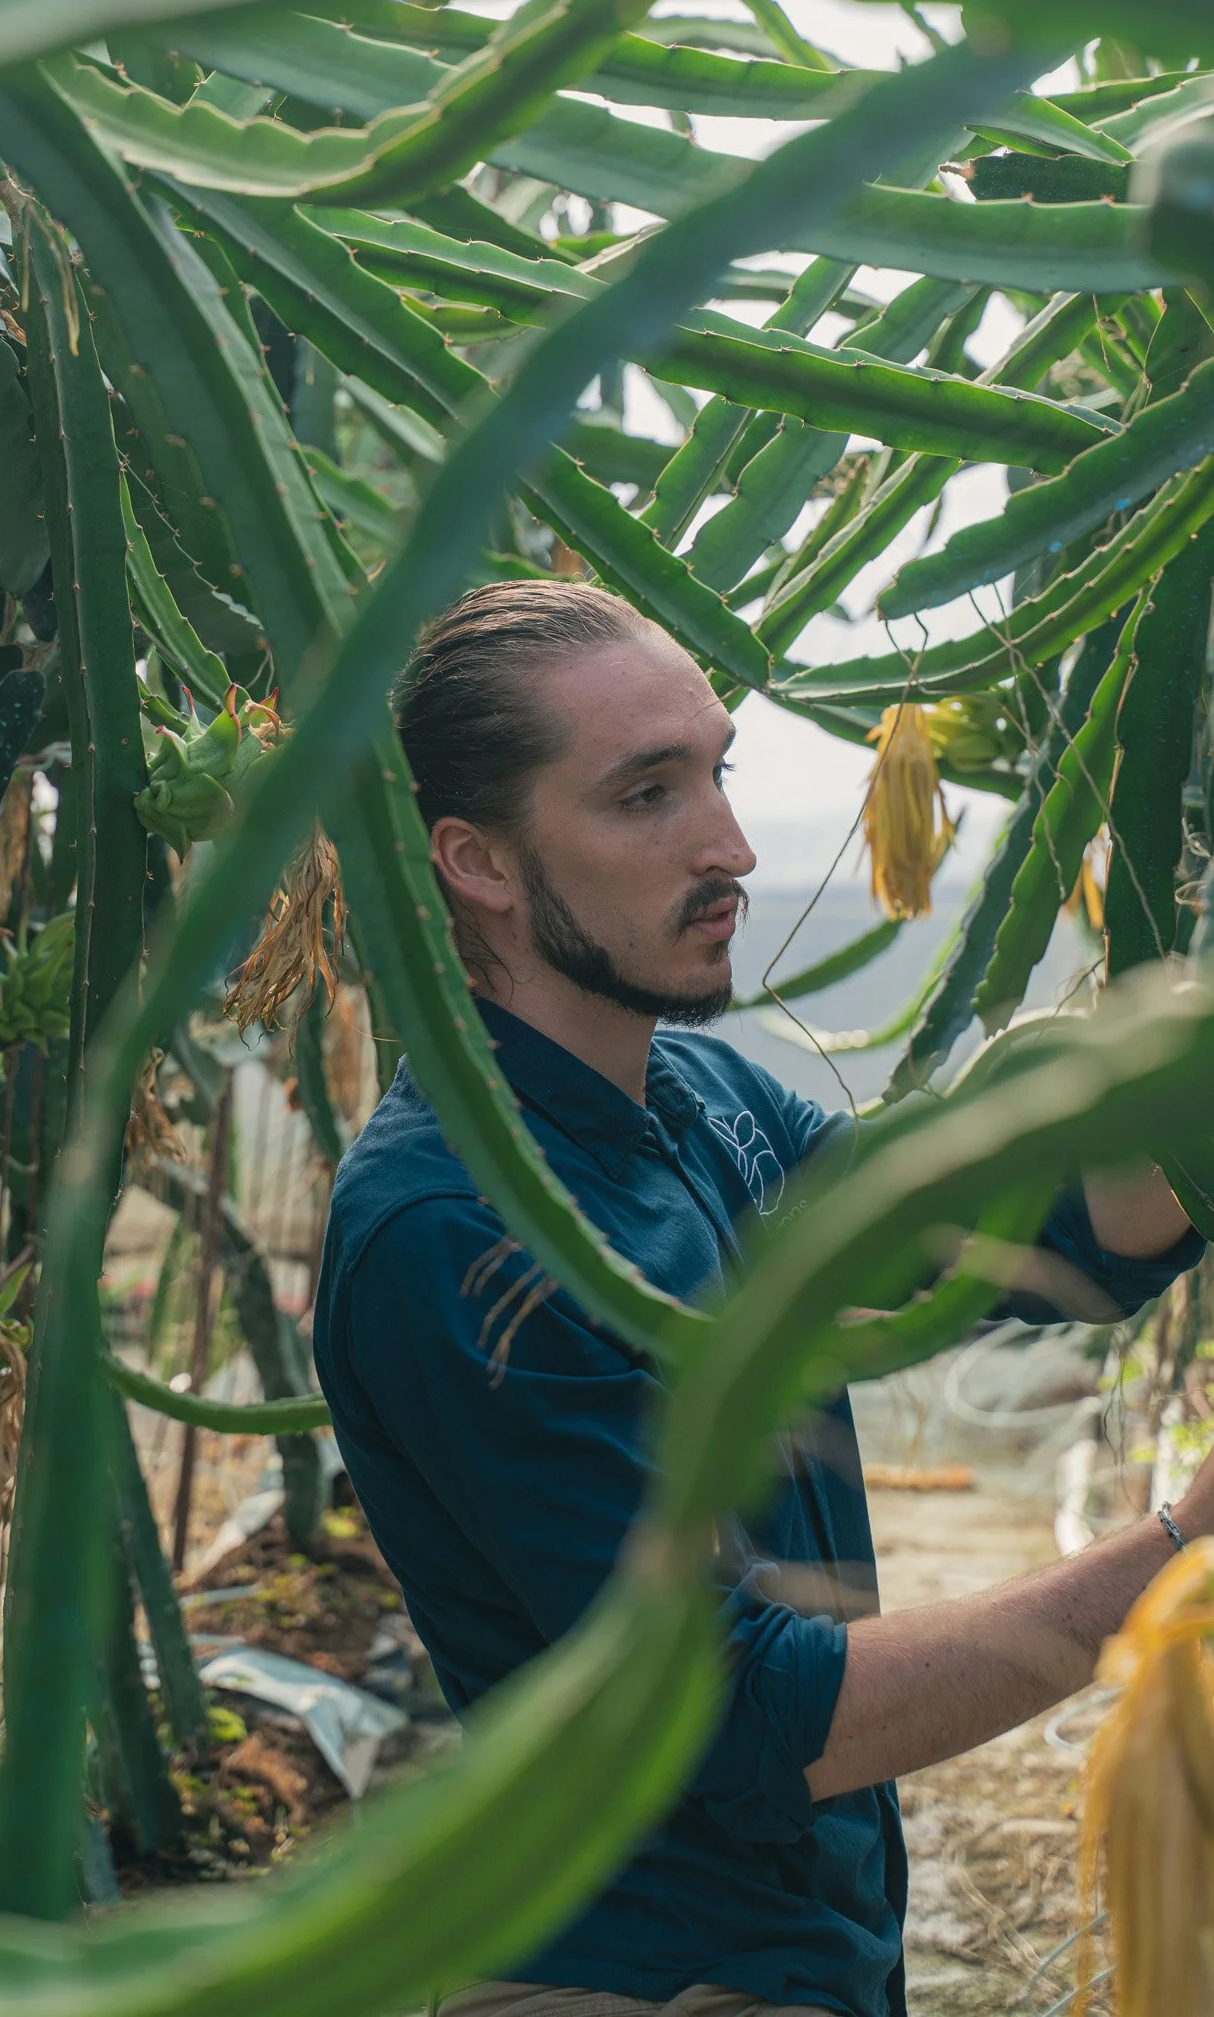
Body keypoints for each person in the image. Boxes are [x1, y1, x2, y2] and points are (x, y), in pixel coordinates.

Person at [311, 579, 1208, 2017]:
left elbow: (1008, 1234)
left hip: (811, 1940)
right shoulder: (453, 1232)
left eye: (714, 773)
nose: (724, 844)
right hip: (633, 1976)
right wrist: (1176, 1552)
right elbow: (745, 1713)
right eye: (644, 795)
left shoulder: (696, 1093)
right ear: (474, 861)